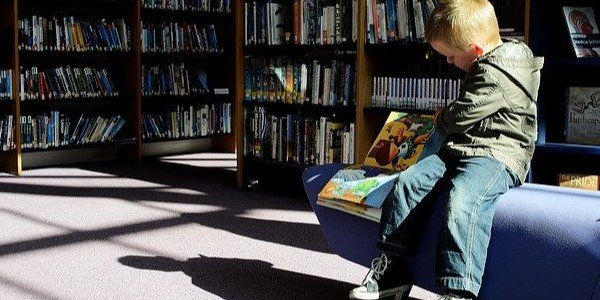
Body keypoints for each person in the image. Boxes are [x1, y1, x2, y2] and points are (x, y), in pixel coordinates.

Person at [349, 0, 544, 299]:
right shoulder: (486, 62)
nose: (450, 62)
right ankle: (394, 270)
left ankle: (459, 289)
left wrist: (441, 116)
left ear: (476, 50)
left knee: (463, 199)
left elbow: (464, 113)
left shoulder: (498, 74)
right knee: (407, 184)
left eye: (451, 56)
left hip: (497, 154)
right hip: (462, 148)